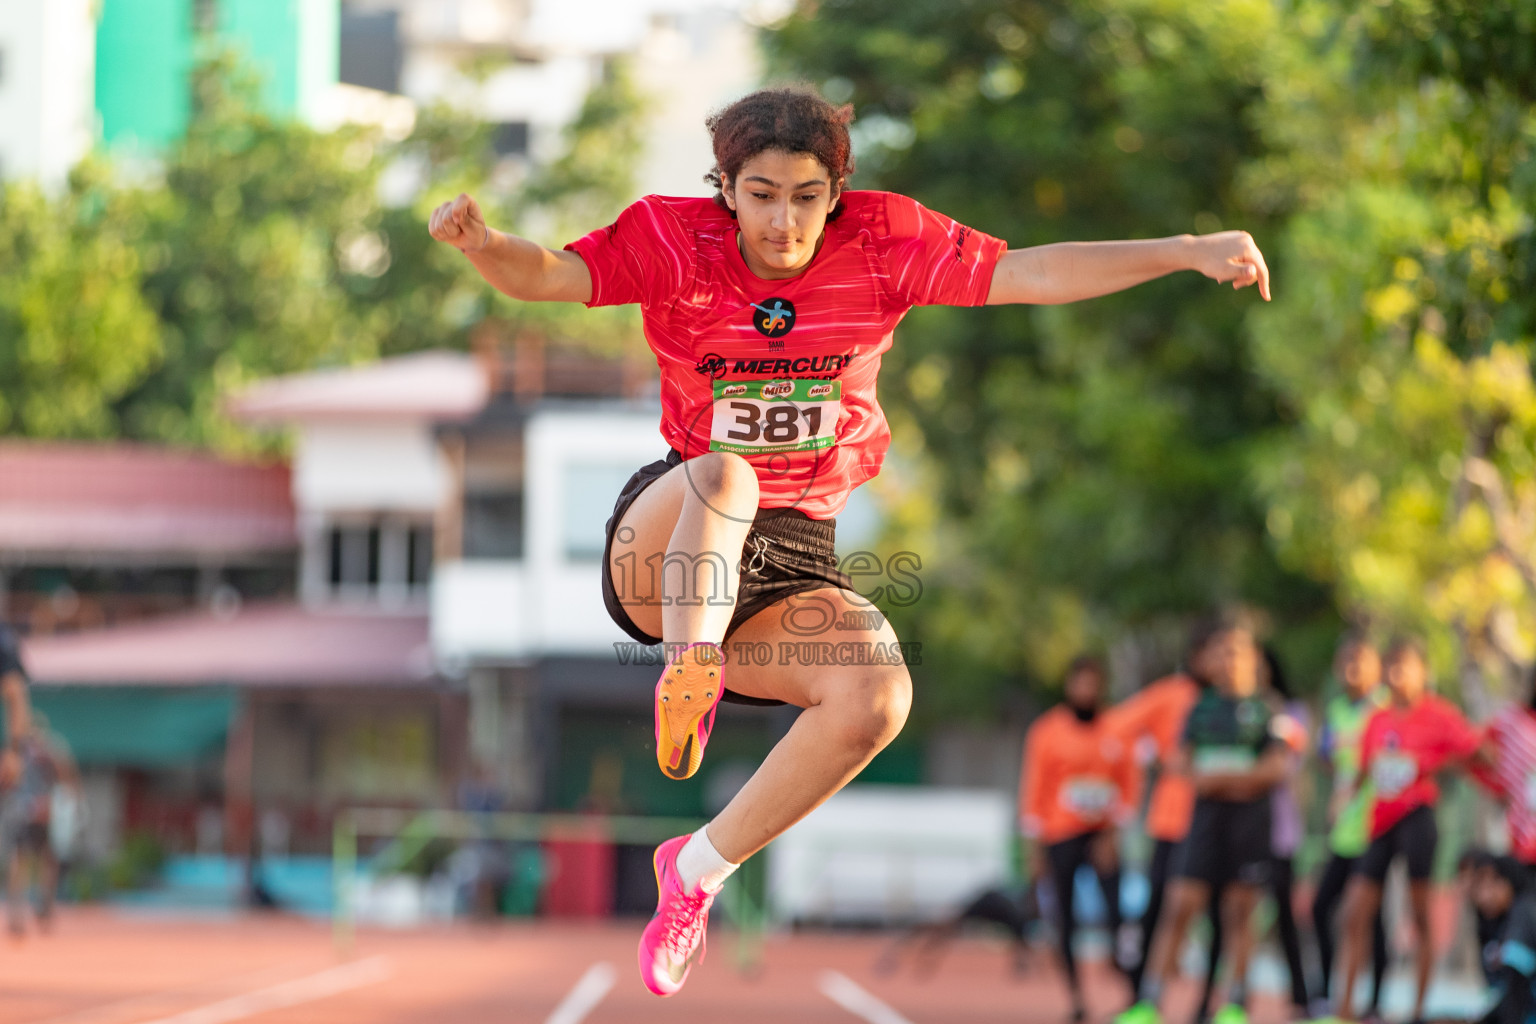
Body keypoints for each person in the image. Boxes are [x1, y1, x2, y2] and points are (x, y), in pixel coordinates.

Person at [429, 84, 1272, 997]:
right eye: (759, 195)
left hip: (793, 562)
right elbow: (549, 273)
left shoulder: (884, 242)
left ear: (836, 192)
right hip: (670, 539)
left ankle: (697, 873)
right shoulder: (675, 241)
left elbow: (1031, 272)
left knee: (880, 696)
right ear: (725, 186)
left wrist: (1189, 252)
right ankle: (691, 667)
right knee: (729, 472)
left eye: (805, 196)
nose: (782, 222)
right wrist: (485, 246)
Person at [1115, 620, 1289, 1024]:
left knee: (1239, 911)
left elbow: (1275, 769)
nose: (1227, 662)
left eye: (1236, 653)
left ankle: (1235, 1005)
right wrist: (1216, 777)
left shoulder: (1269, 710)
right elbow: (1181, 762)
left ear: (1253, 660)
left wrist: (1223, 780)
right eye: (1220, 653)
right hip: (1204, 822)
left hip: (1249, 824)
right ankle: (1149, 1003)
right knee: (1179, 906)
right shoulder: (1199, 709)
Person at [1334, 638, 1484, 1024]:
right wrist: (1342, 801)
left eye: (1405, 667)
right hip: (1379, 823)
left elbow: (1474, 750)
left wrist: (1440, 764)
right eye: (1391, 667)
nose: (1396, 675)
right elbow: (1366, 772)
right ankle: (1345, 1009)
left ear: (1422, 672)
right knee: (1355, 912)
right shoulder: (1378, 719)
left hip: (1417, 818)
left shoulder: (1439, 714)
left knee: (1419, 914)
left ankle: (1417, 1008)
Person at [1105, 623, 1220, 996]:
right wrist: (1154, 755)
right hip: (1172, 819)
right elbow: (1117, 726)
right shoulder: (1172, 695)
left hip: (1220, 819)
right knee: (1157, 909)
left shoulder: (1237, 702)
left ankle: (1210, 1002)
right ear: (1195, 656)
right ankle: (1141, 996)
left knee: (1217, 912)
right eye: (1212, 653)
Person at [1021, 655, 1138, 1021]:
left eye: (1093, 683)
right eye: (1079, 683)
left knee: (1117, 914)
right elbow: (1034, 789)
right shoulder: (1046, 731)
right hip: (1061, 834)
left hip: (1102, 834)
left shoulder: (1117, 728)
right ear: (1069, 686)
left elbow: (1129, 784)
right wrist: (1035, 847)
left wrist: (1113, 833)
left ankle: (1133, 990)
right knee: (1064, 921)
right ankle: (1076, 997)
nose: (1085, 690)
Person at [1199, 647, 1310, 1021]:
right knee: (1227, 914)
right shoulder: (1232, 714)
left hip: (1278, 831)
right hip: (1243, 829)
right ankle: (1224, 1000)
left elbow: (1284, 766)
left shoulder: (1279, 714)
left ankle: (1300, 998)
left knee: (1279, 917)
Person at [1310, 636, 1390, 1020]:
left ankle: (1371, 1003)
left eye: (1360, 662)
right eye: (1346, 662)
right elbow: (1326, 755)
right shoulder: (1337, 709)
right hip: (1344, 828)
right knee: (1322, 906)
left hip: (1376, 828)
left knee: (1366, 917)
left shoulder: (1385, 709)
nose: (1352, 671)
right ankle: (1327, 994)